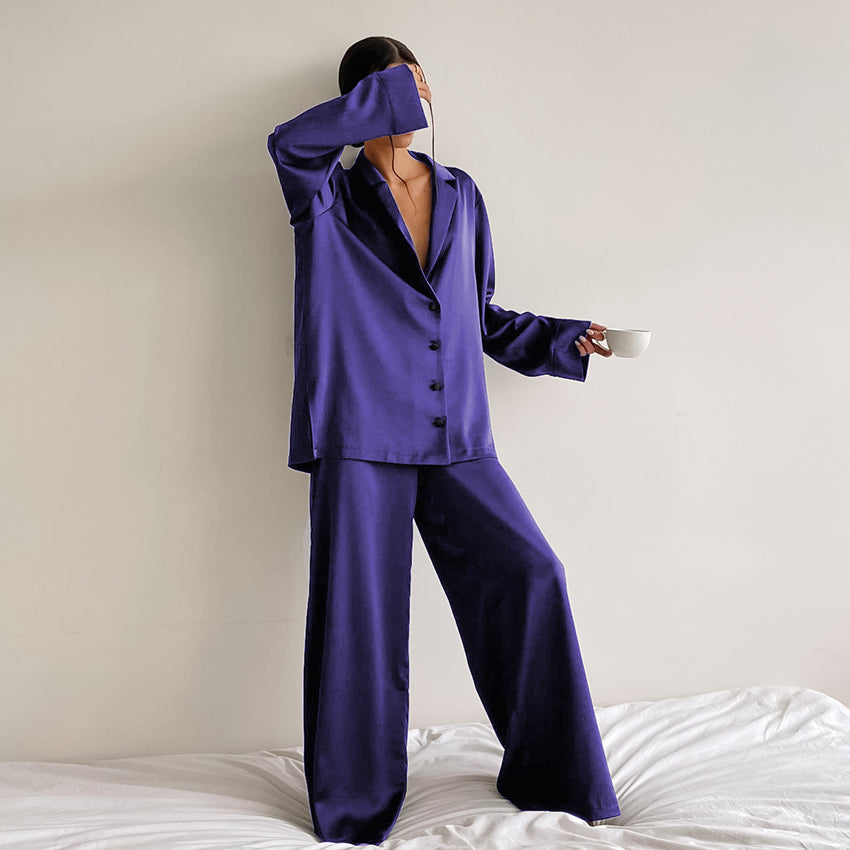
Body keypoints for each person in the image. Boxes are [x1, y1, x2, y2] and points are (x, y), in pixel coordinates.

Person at [267, 35, 619, 845]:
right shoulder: (325, 193)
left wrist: (564, 339)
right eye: (395, 88)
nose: (417, 98)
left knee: (531, 573)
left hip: (454, 429)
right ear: (361, 100)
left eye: (419, 82)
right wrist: (384, 99)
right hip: (360, 433)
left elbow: (478, 312)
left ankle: (553, 775)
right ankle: (356, 809)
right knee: (359, 621)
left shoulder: (462, 192)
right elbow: (287, 142)